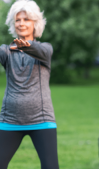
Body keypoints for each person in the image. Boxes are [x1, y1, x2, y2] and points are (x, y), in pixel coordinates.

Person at [0, 0, 59, 169]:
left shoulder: (45, 50)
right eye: (18, 20)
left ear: (35, 23)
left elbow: (39, 51)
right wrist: (15, 47)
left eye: (26, 19)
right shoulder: (6, 51)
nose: (21, 23)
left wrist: (26, 46)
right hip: (9, 120)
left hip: (41, 120)